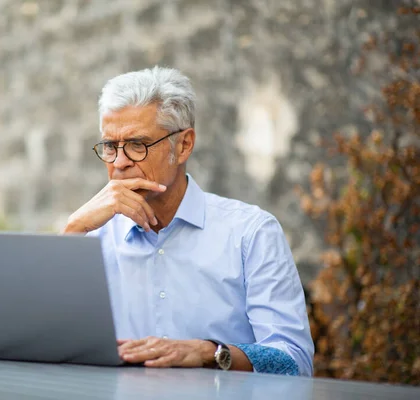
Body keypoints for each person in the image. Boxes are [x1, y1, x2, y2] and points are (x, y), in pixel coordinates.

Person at [63, 66, 314, 375]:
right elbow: (41, 346)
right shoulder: (87, 238)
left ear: (183, 145)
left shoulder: (251, 233)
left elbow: (294, 362)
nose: (120, 162)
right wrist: (72, 231)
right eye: (110, 147)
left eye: (137, 145)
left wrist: (209, 353)